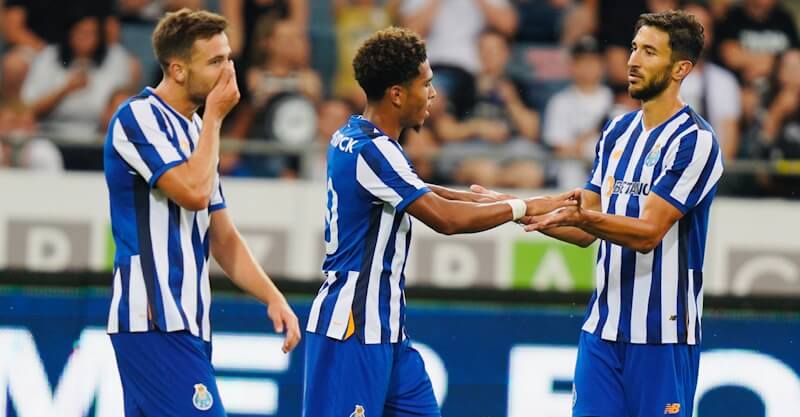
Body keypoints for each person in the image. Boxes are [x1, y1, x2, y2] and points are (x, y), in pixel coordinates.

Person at [302, 27, 575, 417]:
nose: (433, 94)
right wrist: (519, 208)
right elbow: (445, 219)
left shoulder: (354, 136)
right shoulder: (376, 150)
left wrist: (522, 203)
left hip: (387, 328)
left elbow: (425, 190)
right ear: (397, 94)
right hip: (353, 327)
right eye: (426, 84)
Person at [477, 10, 723, 417]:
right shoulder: (617, 132)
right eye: (632, 48)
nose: (632, 60)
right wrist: (515, 209)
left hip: (663, 335)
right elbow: (586, 225)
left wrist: (580, 217)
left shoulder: (694, 142)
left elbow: (647, 233)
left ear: (680, 68)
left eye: (648, 51)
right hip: (602, 331)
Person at [103, 9, 300, 417]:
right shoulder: (138, 118)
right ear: (177, 69)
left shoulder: (195, 130)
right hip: (155, 317)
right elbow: (193, 192)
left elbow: (222, 236)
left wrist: (272, 296)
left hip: (188, 320)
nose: (228, 72)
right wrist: (214, 118)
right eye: (214, 61)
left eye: (228, 58)